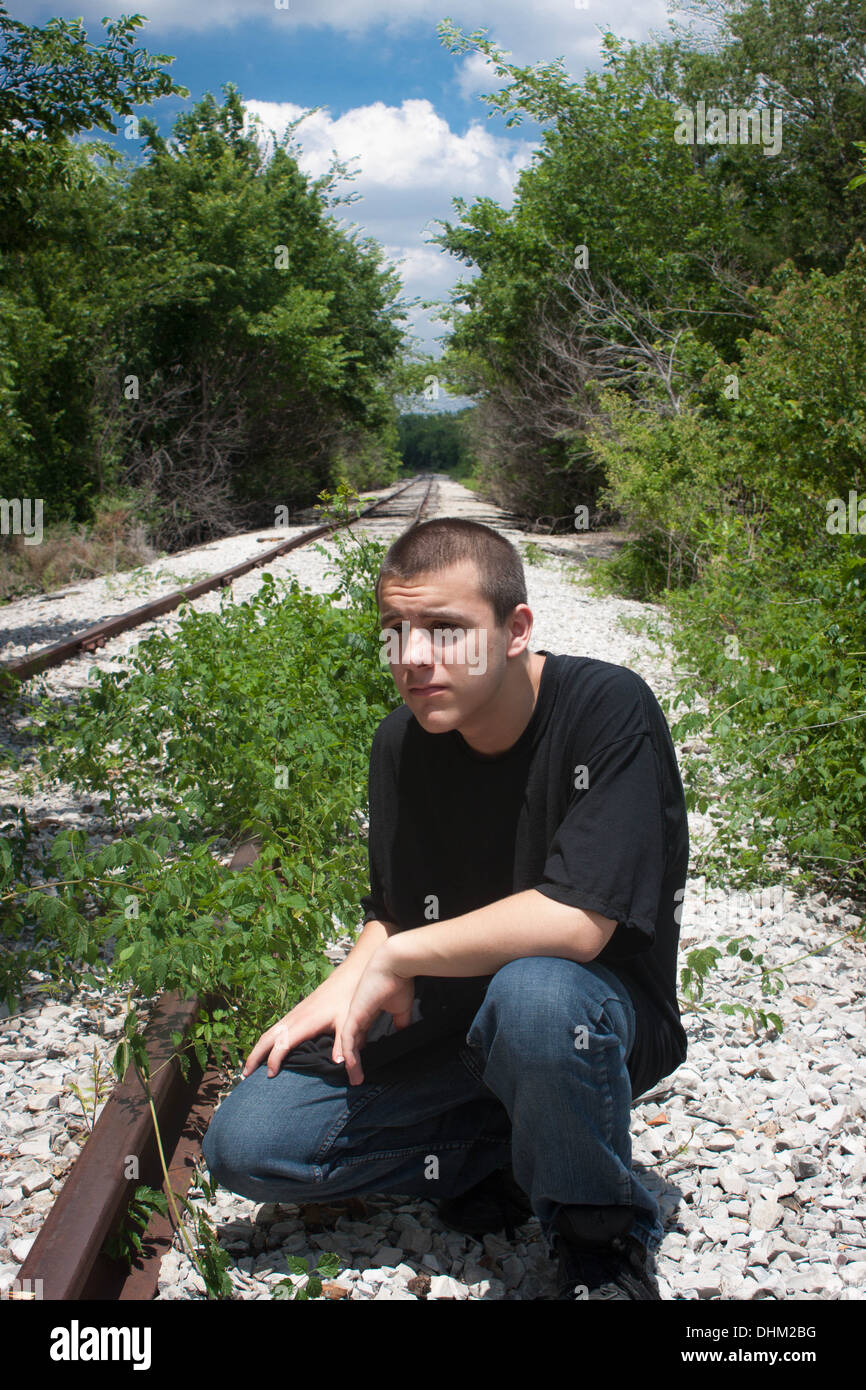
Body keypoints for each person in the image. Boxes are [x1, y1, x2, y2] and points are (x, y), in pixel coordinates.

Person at [201, 517, 689, 1300]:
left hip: (587, 1019)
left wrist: (395, 957)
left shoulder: (606, 708)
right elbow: (390, 913)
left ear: (515, 629)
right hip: (453, 1033)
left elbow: (578, 923)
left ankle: (600, 1240)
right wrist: (348, 981)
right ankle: (508, 1149)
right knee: (248, 1143)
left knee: (534, 993)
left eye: (445, 629)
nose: (413, 657)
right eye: (395, 632)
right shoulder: (402, 742)